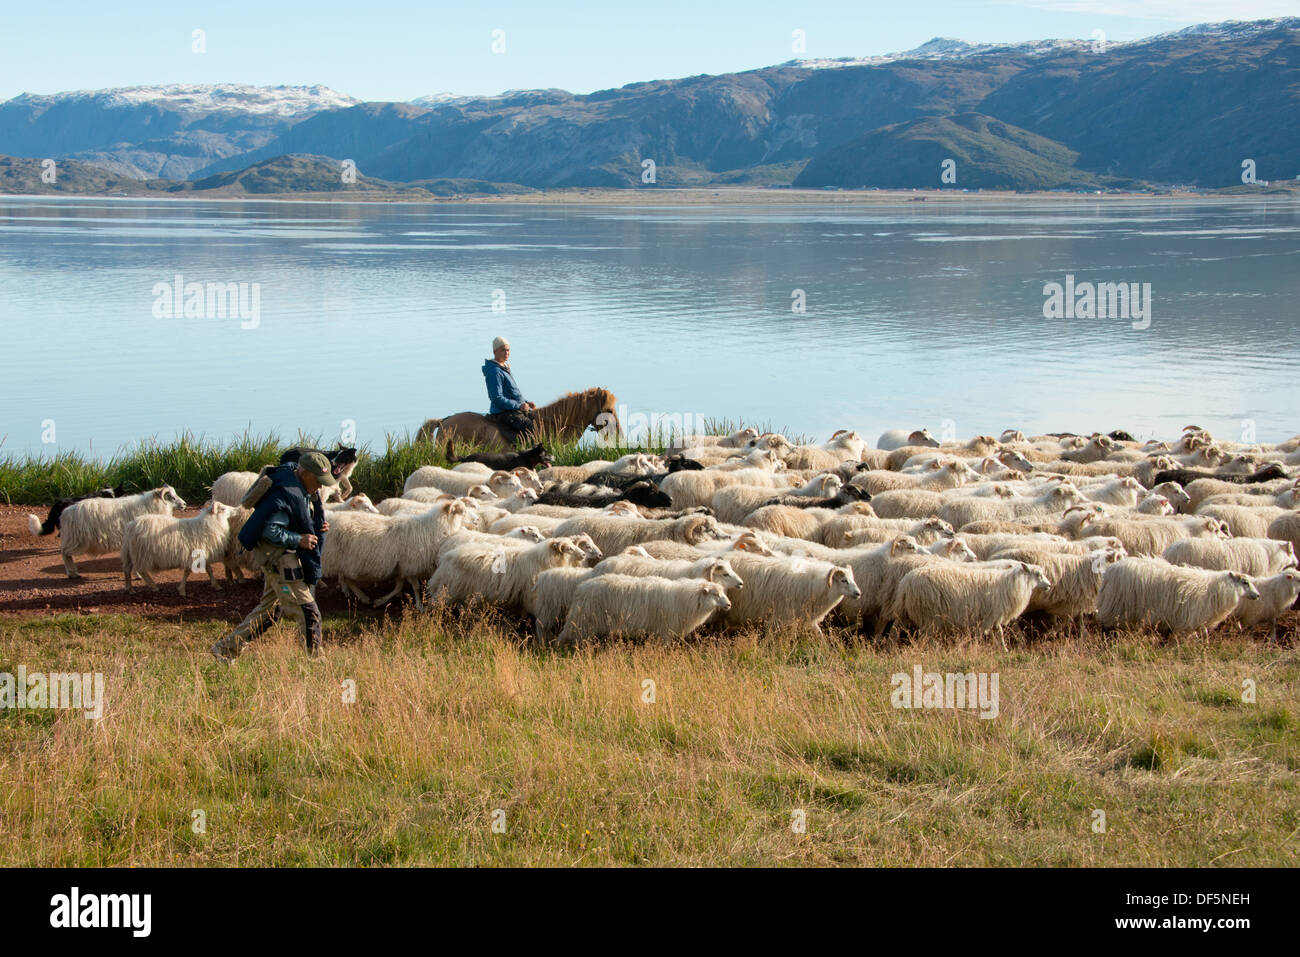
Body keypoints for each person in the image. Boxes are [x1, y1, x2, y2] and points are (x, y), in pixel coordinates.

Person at [210, 451, 335, 662]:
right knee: (308, 611)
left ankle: (225, 649)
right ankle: (316, 661)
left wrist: (316, 525)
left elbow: (296, 519)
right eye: (318, 480)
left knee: (269, 612)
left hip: (278, 558)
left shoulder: (300, 488)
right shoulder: (284, 494)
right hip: (280, 560)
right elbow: (271, 530)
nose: (321, 486)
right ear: (304, 473)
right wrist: (299, 540)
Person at [482, 336, 536, 444]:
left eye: (508, 350)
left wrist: (525, 402)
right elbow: (496, 398)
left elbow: (511, 392)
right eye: (503, 350)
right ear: (495, 351)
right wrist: (519, 406)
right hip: (502, 412)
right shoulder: (495, 372)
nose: (506, 353)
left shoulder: (504, 368)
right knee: (529, 426)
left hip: (512, 409)